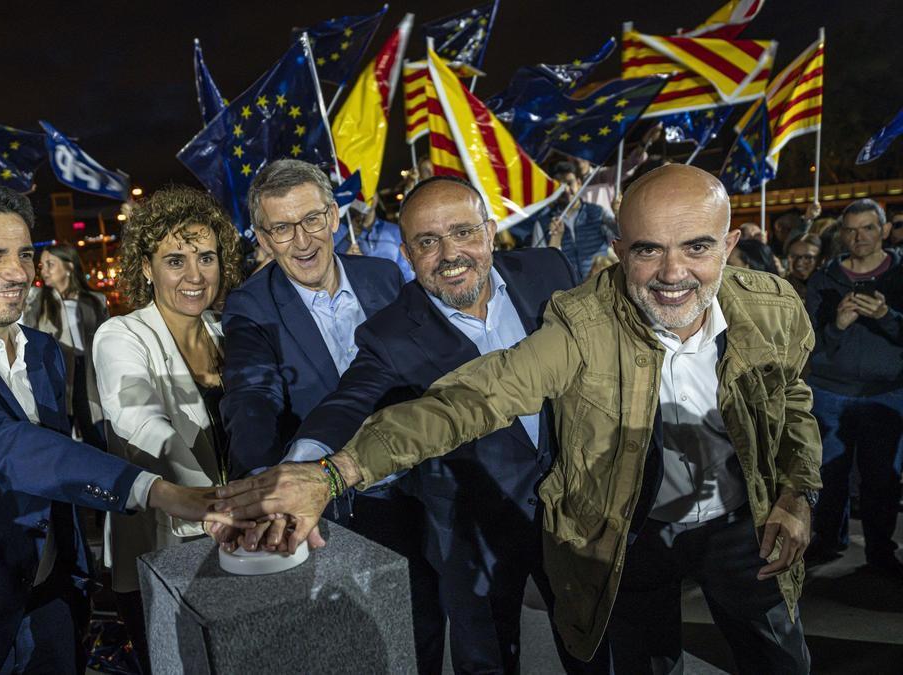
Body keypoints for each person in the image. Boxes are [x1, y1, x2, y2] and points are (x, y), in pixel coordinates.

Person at [219, 164, 820, 674]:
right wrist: (321, 473)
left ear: (729, 243)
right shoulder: (586, 325)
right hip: (580, 530)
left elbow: (790, 400)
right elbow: (465, 400)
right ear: (620, 252)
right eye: (647, 249)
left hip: (731, 528)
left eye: (696, 246)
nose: (671, 273)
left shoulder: (766, 307)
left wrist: (798, 491)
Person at [0, 186, 246, 673]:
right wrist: (157, 490)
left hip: (49, 602)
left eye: (24, 254)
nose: (17, 273)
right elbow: (2, 445)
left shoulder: (43, 350)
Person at [270, 176, 577, 673]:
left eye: (462, 232)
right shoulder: (389, 332)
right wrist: (300, 470)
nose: (449, 253)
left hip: (571, 511)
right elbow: (347, 402)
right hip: (468, 531)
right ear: (407, 255)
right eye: (427, 242)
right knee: (489, 660)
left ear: (490, 231)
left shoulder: (549, 271)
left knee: (595, 646)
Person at [217, 159, 442, 668]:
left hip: (423, 485)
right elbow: (251, 396)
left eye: (312, 220)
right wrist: (268, 485)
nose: (302, 241)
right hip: (343, 506)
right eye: (282, 227)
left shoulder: (384, 276)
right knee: (362, 644)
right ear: (263, 238)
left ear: (335, 218)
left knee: (429, 624)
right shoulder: (251, 306)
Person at [93, 186, 242, 673]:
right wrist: (212, 503)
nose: (195, 275)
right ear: (145, 268)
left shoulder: (231, 334)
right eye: (175, 260)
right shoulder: (122, 334)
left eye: (206, 257)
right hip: (164, 549)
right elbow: (138, 420)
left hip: (239, 542)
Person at [804, 198, 903, 576]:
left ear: (884, 230)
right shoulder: (824, 278)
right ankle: (829, 541)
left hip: (886, 393)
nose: (858, 237)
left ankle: (881, 550)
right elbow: (809, 340)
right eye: (850, 229)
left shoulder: (900, 274)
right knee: (829, 475)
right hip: (831, 392)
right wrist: (837, 326)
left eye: (868, 228)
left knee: (883, 479)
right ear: (840, 233)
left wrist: (887, 317)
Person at [23, 243, 110, 448]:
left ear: (70, 267)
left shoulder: (96, 300)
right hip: (56, 373)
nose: (43, 271)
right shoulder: (36, 300)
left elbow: (107, 341)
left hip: (89, 374)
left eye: (50, 264)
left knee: (96, 432)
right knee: (60, 432)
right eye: (42, 265)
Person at [517, 161, 615, 280]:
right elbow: (540, 264)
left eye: (569, 183)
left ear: (579, 183)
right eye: (560, 186)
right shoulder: (543, 224)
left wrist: (621, 216)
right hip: (568, 294)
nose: (566, 190)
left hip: (602, 286)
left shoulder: (598, 212)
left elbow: (620, 236)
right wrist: (555, 241)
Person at [568, 122, 662, 219]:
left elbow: (629, 164)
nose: (578, 158)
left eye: (581, 152)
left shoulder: (602, 176)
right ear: (568, 157)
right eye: (573, 153)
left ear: (590, 154)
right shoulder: (565, 185)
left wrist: (644, 143)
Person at [785, 233, 822, 298]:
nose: (799, 262)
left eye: (807, 257)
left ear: (820, 260)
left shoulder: (828, 288)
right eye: (793, 256)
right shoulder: (779, 286)